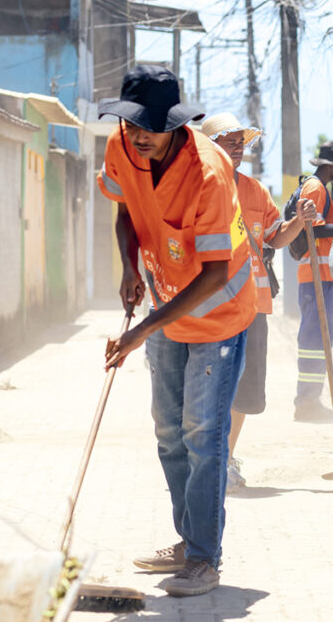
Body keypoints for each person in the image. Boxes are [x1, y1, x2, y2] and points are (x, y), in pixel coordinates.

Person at [97, 65, 255, 597]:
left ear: (175, 124)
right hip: (165, 302)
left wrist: (143, 329)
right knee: (169, 433)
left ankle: (206, 560)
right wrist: (127, 266)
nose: (139, 136)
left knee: (203, 436)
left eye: (149, 128)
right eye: (132, 124)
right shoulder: (123, 147)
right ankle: (188, 542)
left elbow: (214, 273)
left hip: (218, 313)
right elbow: (123, 209)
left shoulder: (209, 171)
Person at [200, 113, 316, 491]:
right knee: (207, 386)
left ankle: (225, 458)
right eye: (228, 140)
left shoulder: (254, 190)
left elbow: (274, 237)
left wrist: (298, 221)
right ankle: (206, 459)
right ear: (210, 145)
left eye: (240, 141)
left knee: (245, 388)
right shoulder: (195, 188)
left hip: (253, 305)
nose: (237, 147)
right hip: (209, 307)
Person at [293, 141, 333, 423]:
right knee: (314, 339)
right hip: (315, 275)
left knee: (319, 338)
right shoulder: (315, 188)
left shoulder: (318, 188)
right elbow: (312, 229)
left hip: (321, 276)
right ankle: (307, 402)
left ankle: (310, 399)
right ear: (332, 165)